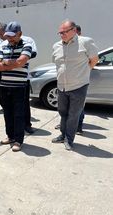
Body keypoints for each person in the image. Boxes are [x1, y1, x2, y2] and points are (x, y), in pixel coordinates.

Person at [51, 20, 98, 150]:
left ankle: (69, 139)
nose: (62, 35)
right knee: (62, 113)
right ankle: (62, 135)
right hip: (61, 86)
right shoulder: (56, 46)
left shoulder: (86, 42)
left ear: (74, 30)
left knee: (74, 114)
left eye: (64, 32)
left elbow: (94, 60)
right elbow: (57, 64)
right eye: (60, 33)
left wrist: (83, 73)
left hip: (79, 86)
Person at [0, 21, 32, 152]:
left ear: (20, 34)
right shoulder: (4, 45)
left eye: (12, 36)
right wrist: (14, 64)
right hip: (4, 86)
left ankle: (18, 140)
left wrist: (6, 63)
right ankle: (10, 136)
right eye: (8, 36)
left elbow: (22, 61)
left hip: (19, 86)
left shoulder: (27, 45)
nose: (9, 38)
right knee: (7, 113)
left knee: (19, 115)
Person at [21, 35, 38, 134]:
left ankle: (27, 125)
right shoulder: (5, 42)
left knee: (25, 104)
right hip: (7, 78)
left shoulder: (27, 40)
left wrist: (21, 56)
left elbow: (34, 53)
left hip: (23, 78)